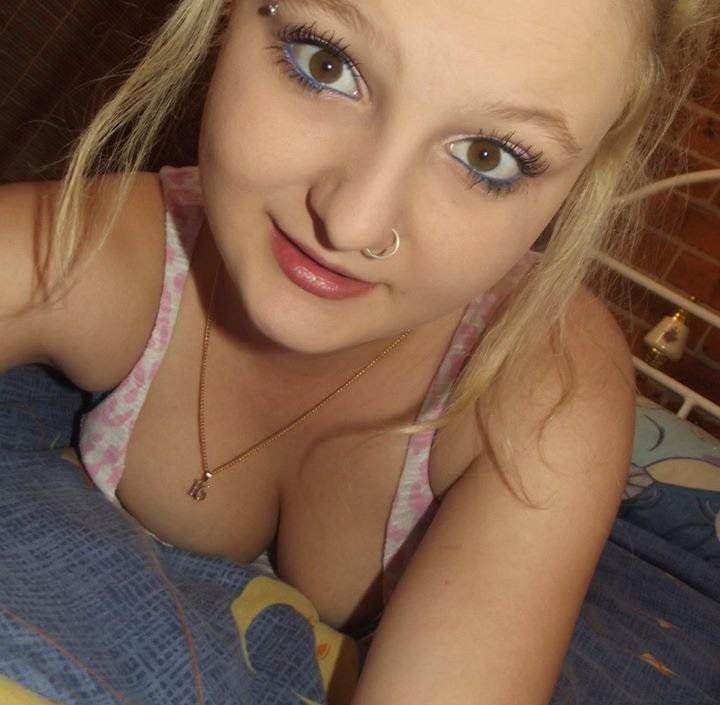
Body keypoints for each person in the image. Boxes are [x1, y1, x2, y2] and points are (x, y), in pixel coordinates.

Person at [0, 0, 717, 702]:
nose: (352, 222)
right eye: (326, 63)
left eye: (488, 156)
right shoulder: (105, 250)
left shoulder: (550, 382)